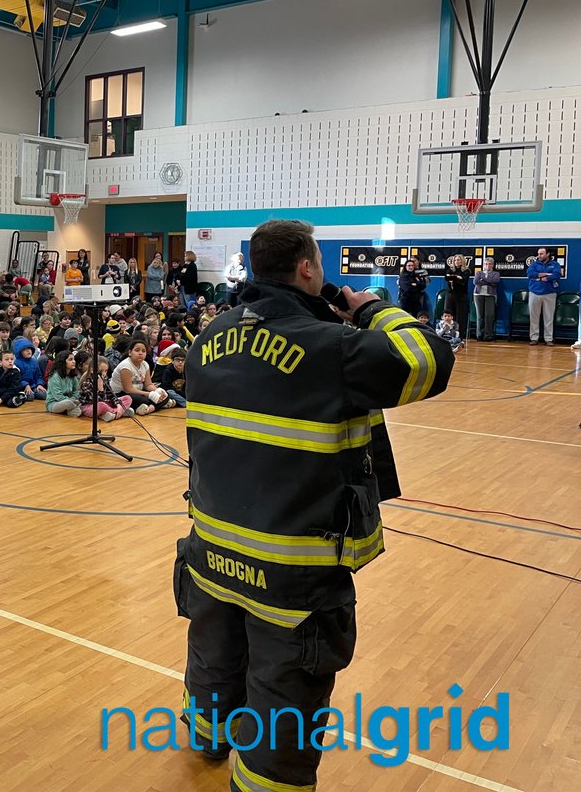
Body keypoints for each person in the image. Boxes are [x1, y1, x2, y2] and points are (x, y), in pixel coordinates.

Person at [177, 219, 453, 788]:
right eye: (320, 266)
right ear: (307, 268)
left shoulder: (208, 339)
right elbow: (428, 360)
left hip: (211, 547)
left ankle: (207, 734)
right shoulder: (333, 349)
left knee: (214, 654)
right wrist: (372, 309)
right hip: (292, 567)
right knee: (284, 697)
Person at [526, 247, 562, 345]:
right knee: (534, 317)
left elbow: (556, 275)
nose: (539, 256)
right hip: (534, 293)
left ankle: (548, 339)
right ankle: (534, 338)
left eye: (541, 254)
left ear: (548, 254)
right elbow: (530, 274)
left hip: (550, 294)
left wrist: (539, 277)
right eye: (538, 254)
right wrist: (546, 274)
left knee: (549, 317)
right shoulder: (534, 264)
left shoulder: (555, 264)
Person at [472, 257, 501, 342]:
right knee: (480, 316)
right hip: (478, 295)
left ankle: (488, 335)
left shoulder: (496, 273)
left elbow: (496, 281)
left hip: (490, 295)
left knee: (489, 315)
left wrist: (483, 280)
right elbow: (476, 282)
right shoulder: (479, 273)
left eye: (489, 264)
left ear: (492, 265)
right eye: (485, 264)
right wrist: (489, 282)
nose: (487, 266)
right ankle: (479, 335)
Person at [443, 254, 471, 339]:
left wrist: (454, 279)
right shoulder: (450, 270)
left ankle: (459, 335)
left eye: (458, 260)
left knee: (460, 316)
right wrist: (457, 278)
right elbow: (447, 278)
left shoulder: (466, 271)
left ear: (462, 261)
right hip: (451, 294)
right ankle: (447, 333)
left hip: (461, 295)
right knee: (448, 314)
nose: (456, 261)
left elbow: (463, 281)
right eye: (455, 260)